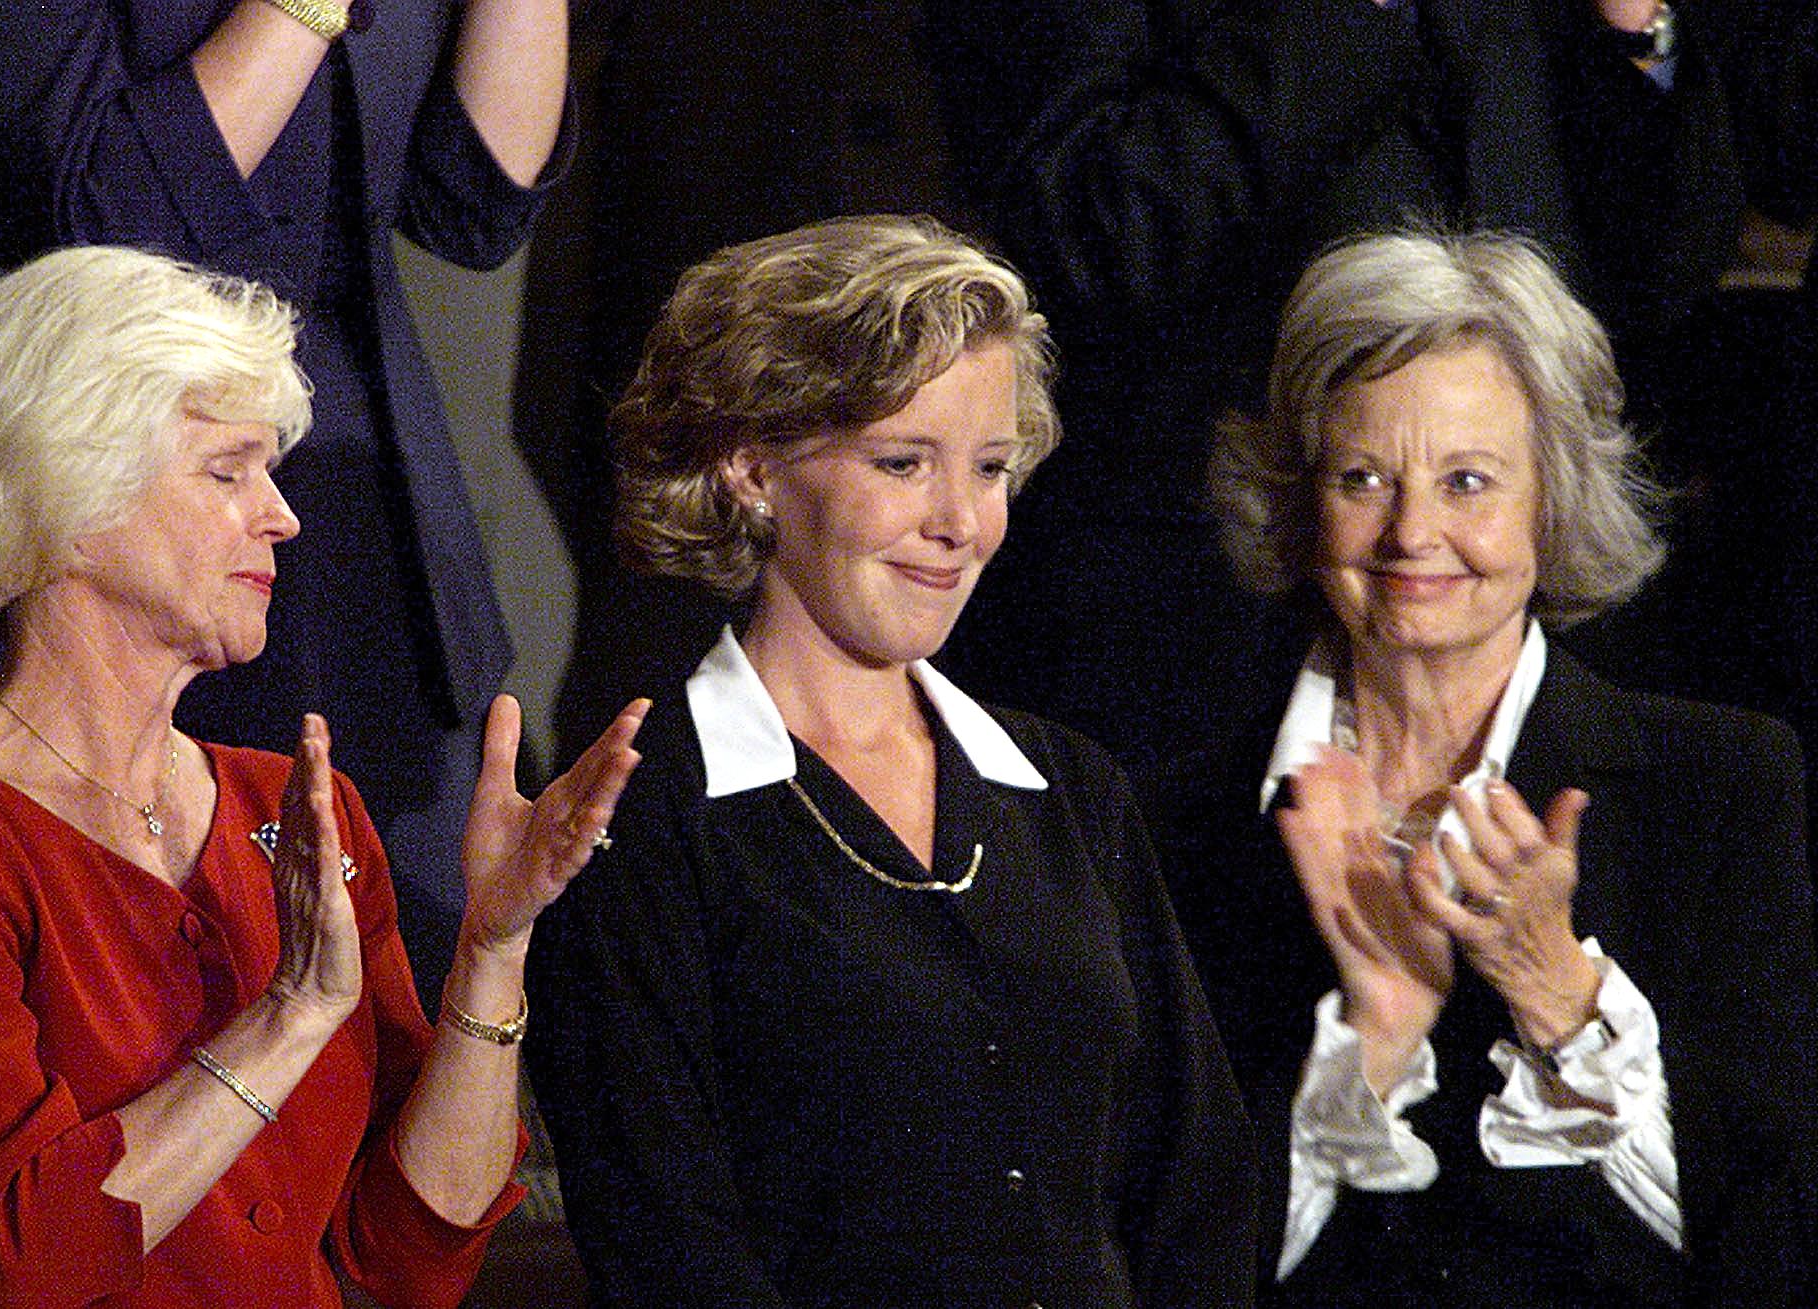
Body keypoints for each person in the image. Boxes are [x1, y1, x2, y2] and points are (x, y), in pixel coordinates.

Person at [0, 246, 646, 1307]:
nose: (281, 516)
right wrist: (290, 1012)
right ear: (66, 489)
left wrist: (491, 946)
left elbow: (410, 1253)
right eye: (226, 470)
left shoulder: (290, 804)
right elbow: (17, 1267)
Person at [525, 215, 1256, 1308]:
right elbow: (666, 1243)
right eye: (903, 463)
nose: (959, 522)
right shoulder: (638, 811)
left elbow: (1195, 1190)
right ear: (750, 467)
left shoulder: (1068, 789)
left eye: (990, 467)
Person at [1156, 230, 1818, 1305]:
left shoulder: (1724, 785)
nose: (1411, 532)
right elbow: (1150, 1269)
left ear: (1550, 499)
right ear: (1297, 496)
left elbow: (1779, 1253)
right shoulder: (1166, 824)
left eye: (1466, 481)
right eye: (1362, 477)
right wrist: (1370, 1041)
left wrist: (1559, 996)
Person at [0, 0, 571, 999]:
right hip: (98, 520)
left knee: (391, 1031)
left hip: (349, 529)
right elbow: (111, 218)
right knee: (141, 1037)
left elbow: (477, 206)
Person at [924, 0, 1763, 781]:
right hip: (1195, 608)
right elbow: (1093, 231)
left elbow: (1668, 271)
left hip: (1549, 599)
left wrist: (1634, 30)